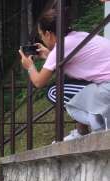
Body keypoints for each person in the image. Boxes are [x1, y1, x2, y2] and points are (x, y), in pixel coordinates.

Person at [19, 8, 110, 140]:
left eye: (41, 35)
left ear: (48, 34)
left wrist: (29, 66)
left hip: (107, 88)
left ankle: (97, 121)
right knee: (68, 77)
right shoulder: (80, 36)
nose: (42, 39)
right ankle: (83, 130)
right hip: (105, 86)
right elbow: (75, 64)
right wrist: (49, 55)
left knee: (53, 91)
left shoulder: (61, 47)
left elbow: (39, 82)